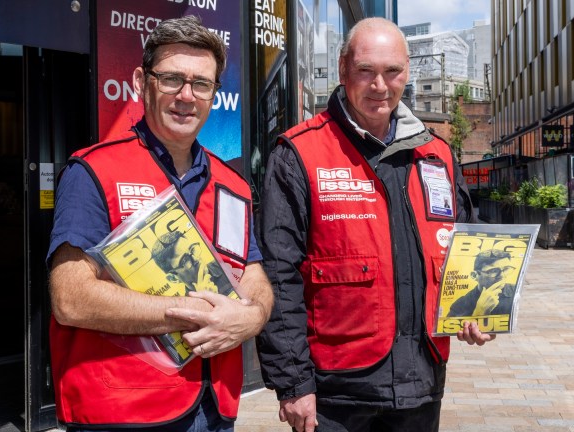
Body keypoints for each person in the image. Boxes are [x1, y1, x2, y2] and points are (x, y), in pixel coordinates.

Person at [256, 17, 494, 432]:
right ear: (344, 68)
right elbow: (278, 277)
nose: (379, 86)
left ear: (407, 73)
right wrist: (293, 384)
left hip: (422, 379)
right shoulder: (299, 154)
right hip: (337, 391)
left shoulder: (436, 155)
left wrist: (478, 311)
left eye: (392, 71)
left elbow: (465, 243)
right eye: (366, 71)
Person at [47, 16, 273, 432]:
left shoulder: (234, 184)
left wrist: (252, 316)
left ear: (213, 95)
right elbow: (70, 297)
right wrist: (190, 314)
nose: (186, 96)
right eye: (171, 79)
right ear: (141, 81)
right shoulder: (94, 171)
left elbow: (253, 273)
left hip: (213, 408)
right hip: (123, 412)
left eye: (201, 84)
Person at [446, 249, 517, 317]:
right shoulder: (459, 305)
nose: (502, 276)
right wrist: (479, 312)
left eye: (506, 269)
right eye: (493, 271)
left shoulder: (516, 291)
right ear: (474, 275)